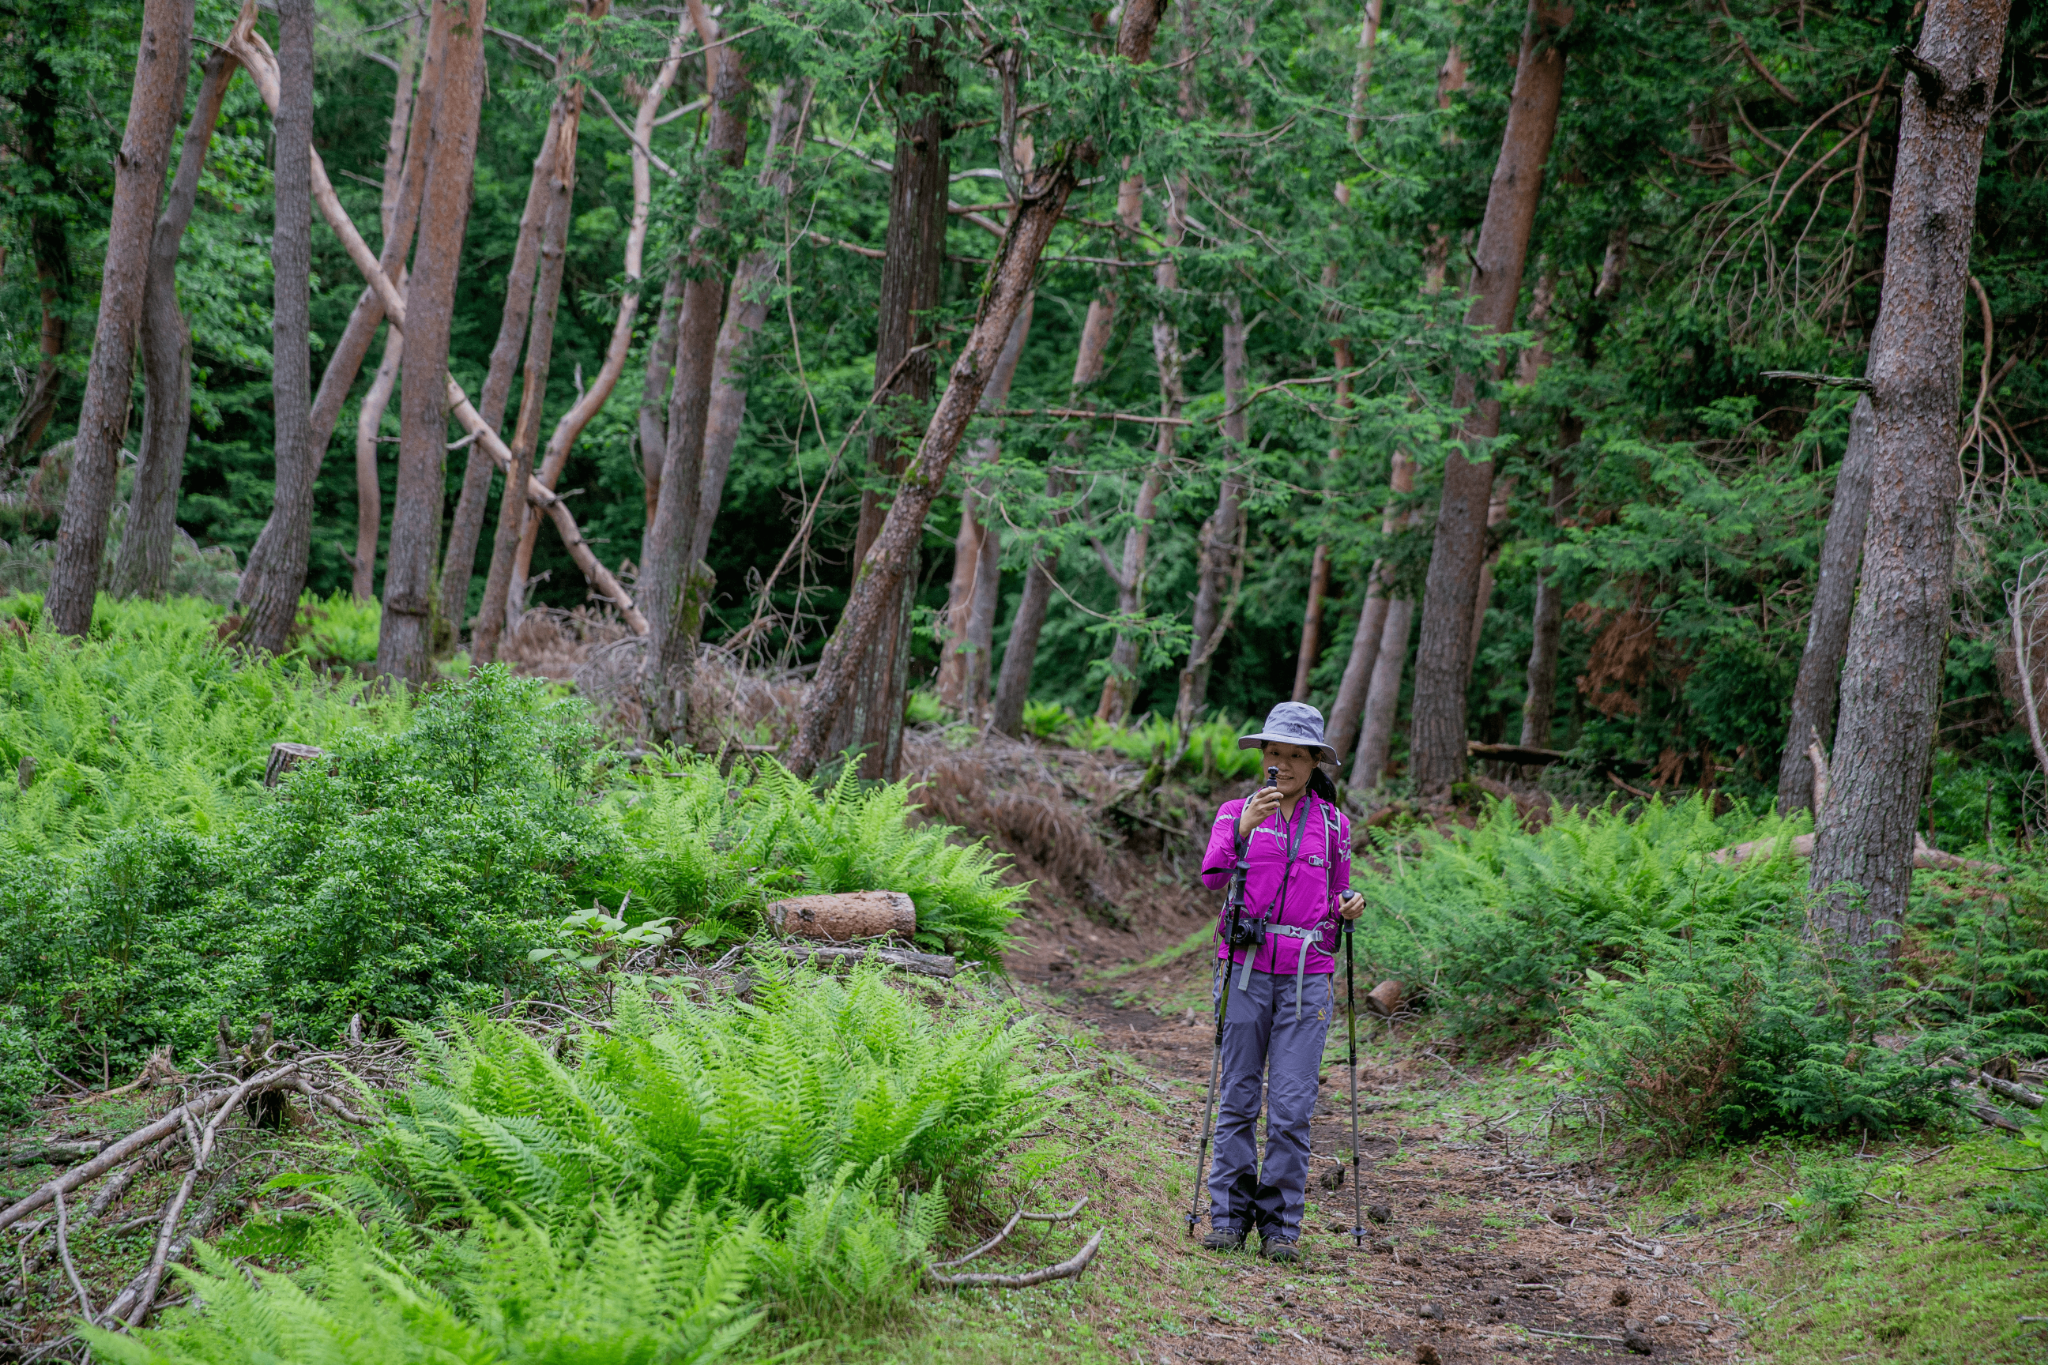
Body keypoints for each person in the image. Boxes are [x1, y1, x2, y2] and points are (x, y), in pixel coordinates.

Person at [1197, 701, 1364, 1261]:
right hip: (1243, 971)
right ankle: (1227, 1217)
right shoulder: (1234, 811)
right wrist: (1242, 830)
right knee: (1239, 1096)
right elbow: (1212, 876)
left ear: (1316, 762)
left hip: (1306, 978)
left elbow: (1336, 891)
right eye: (1275, 752)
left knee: (1291, 1107)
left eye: (1297, 755)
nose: (1284, 764)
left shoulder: (1335, 825)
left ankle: (1280, 1228)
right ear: (1263, 756)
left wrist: (1349, 904)